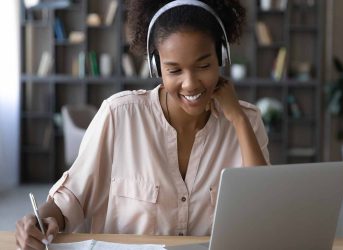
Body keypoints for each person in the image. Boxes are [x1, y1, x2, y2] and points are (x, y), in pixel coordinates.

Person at [15, 0, 270, 249]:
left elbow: (264, 211)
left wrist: (237, 119)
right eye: (174, 70)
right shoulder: (119, 115)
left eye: (203, 65)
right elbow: (70, 198)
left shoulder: (246, 120)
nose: (190, 83)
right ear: (156, 66)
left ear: (221, 56)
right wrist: (42, 220)